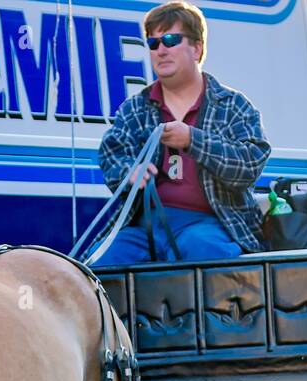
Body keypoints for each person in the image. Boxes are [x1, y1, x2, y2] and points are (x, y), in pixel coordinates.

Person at [94, 1, 271, 264]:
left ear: (197, 48)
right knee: (99, 264)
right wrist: (128, 172)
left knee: (203, 250)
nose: (160, 50)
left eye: (170, 39)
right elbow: (112, 155)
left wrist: (192, 140)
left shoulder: (234, 106)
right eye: (153, 44)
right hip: (146, 227)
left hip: (213, 223)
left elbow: (249, 165)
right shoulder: (135, 108)